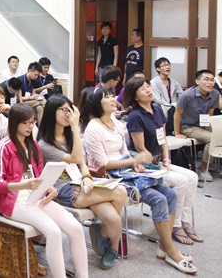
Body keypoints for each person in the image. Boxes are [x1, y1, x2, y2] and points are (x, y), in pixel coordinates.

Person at [82, 87, 196, 274]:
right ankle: (171, 251)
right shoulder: (93, 128)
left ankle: (164, 247)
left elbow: (125, 152)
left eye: (111, 96)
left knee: (171, 195)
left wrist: (135, 164)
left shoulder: (116, 123)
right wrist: (133, 161)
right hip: (110, 177)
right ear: (97, 104)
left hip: (127, 171)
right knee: (159, 199)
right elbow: (103, 164)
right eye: (107, 97)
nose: (113, 99)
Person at [0, 103, 89, 278]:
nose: (30, 127)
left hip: (35, 196)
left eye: (33, 122)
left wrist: (49, 187)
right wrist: (23, 185)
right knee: (53, 232)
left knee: (75, 228)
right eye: (26, 123)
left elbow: (39, 175)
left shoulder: (33, 145)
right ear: (15, 123)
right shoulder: (3, 147)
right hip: (12, 201)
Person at [37, 95, 127, 270]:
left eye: (70, 110)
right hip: (62, 189)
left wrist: (86, 176)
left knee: (114, 219)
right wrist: (75, 128)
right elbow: (75, 158)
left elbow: (82, 163)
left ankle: (110, 243)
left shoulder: (69, 136)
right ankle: (106, 237)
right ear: (51, 112)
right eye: (64, 110)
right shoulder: (44, 144)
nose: (68, 114)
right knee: (120, 192)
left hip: (80, 182)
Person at [123, 78, 201, 246]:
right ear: (135, 96)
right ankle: (175, 225)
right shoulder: (135, 116)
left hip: (159, 161)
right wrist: (159, 165)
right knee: (180, 181)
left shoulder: (157, 109)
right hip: (145, 165)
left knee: (193, 177)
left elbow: (163, 138)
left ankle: (185, 220)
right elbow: (141, 149)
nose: (148, 90)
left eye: (148, 86)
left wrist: (167, 159)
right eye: (143, 89)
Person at [174, 69, 219, 182]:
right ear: (197, 81)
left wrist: (208, 129)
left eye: (212, 80)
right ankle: (204, 170)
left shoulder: (215, 94)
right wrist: (177, 132)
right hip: (188, 126)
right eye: (206, 79)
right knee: (212, 138)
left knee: (218, 135)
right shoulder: (187, 95)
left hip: (203, 125)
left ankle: (213, 163)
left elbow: (210, 112)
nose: (210, 83)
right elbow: (177, 114)